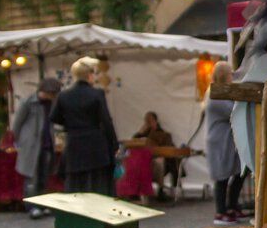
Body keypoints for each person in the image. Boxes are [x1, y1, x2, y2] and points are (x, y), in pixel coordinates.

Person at [50, 57, 119, 195]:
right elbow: (106, 120)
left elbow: (54, 117)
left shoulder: (64, 96)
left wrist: (70, 124)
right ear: (90, 75)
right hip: (95, 145)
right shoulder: (97, 94)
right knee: (96, 184)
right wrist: (114, 144)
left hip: (74, 143)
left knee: (75, 184)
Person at [12, 77, 62, 218]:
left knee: (44, 177)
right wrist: (20, 141)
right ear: (45, 91)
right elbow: (17, 124)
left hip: (47, 144)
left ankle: (42, 205)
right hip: (31, 146)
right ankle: (31, 206)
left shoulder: (51, 104)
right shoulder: (28, 102)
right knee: (31, 178)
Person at [205, 62, 246, 226]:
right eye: (230, 73)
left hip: (228, 140)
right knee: (221, 176)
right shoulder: (215, 94)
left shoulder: (224, 92)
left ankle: (231, 206)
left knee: (240, 172)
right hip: (220, 141)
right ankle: (220, 211)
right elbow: (233, 111)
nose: (232, 76)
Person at [134, 111, 180, 198]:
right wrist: (139, 133)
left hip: (160, 161)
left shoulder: (164, 134)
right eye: (146, 121)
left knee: (159, 161)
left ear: (155, 121)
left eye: (150, 120)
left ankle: (161, 189)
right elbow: (134, 143)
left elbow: (168, 149)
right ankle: (134, 190)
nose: (147, 123)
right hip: (144, 160)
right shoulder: (142, 135)